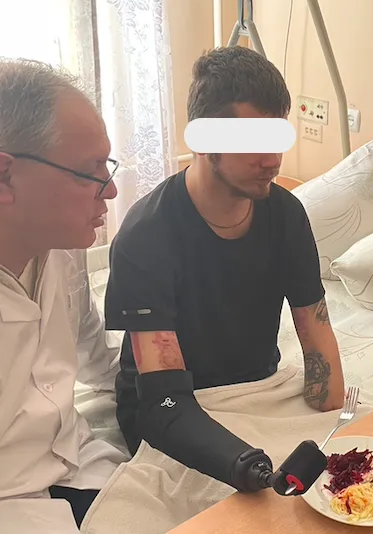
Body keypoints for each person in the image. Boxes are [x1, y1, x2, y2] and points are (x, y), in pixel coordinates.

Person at [103, 46, 345, 493]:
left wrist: (337, 429)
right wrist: (248, 467)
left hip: (258, 391)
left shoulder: (286, 216)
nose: (272, 161)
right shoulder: (146, 234)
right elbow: (163, 403)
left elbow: (317, 341)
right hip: (172, 408)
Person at [0, 58, 128, 532]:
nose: (110, 191)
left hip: (75, 459)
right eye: (89, 172)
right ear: (5, 177)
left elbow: (95, 353)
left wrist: (162, 400)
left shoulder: (63, 249)